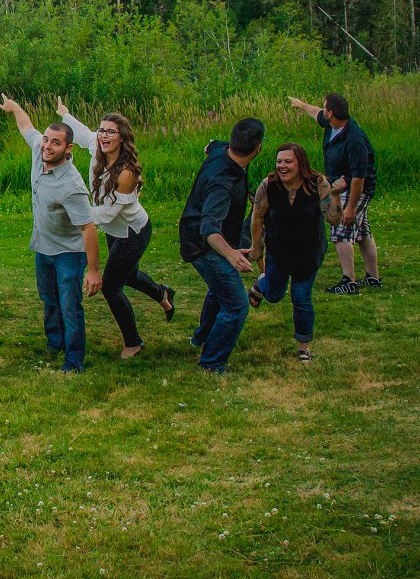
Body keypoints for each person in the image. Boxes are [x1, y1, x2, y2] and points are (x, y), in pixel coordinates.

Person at [57, 99, 175, 359]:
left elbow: (108, 212)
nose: (103, 135)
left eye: (110, 131)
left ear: (122, 138)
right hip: (115, 230)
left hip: (133, 232)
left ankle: (133, 342)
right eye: (102, 130)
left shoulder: (127, 173)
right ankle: (163, 293)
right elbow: (82, 131)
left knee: (111, 286)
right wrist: (64, 113)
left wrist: (74, 214)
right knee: (128, 275)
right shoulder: (95, 147)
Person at [0, 96, 103, 372]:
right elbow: (26, 127)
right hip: (43, 248)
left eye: (55, 142)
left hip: (68, 253)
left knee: (70, 306)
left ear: (68, 148)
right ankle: (55, 342)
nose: (47, 145)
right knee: (48, 298)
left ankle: (74, 359)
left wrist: (93, 271)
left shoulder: (72, 186)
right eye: (46, 139)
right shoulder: (39, 150)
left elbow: (88, 227)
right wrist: (15, 107)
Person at [178, 117, 265, 373]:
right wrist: (231, 255)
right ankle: (212, 362)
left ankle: (202, 338)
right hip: (205, 246)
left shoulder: (220, 149)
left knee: (219, 291)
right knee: (236, 306)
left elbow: (210, 145)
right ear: (258, 148)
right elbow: (209, 230)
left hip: (198, 236)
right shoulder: (223, 184)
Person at [247, 142, 343, 362]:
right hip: (279, 251)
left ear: (300, 163)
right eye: (279, 161)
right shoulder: (269, 185)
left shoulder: (318, 183)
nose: (282, 166)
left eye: (288, 161)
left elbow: (333, 219)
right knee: (273, 295)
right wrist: (256, 247)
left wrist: (335, 195)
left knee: (301, 297)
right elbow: (258, 217)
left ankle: (304, 346)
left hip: (309, 253)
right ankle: (262, 283)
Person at [286, 93, 380, 294]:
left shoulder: (354, 139)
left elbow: (359, 178)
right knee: (363, 232)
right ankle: (372, 277)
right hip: (340, 185)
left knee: (340, 230)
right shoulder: (332, 123)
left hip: (353, 189)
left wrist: (351, 207)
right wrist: (300, 104)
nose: (322, 111)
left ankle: (349, 281)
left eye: (325, 108)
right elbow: (314, 112)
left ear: (331, 113)